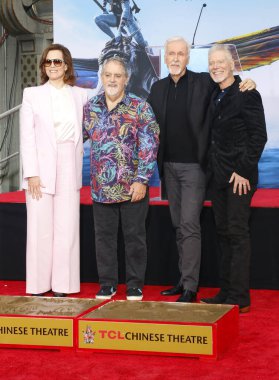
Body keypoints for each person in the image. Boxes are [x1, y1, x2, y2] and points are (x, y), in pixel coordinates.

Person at [147, 36, 255, 303]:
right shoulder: (157, 89)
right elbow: (147, 125)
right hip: (168, 169)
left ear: (187, 57)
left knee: (189, 225)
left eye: (180, 53)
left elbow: (229, 84)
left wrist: (247, 82)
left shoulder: (203, 82)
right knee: (178, 225)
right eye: (170, 53)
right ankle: (183, 280)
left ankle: (191, 288)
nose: (174, 58)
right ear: (166, 56)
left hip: (195, 167)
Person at [83, 56, 159, 300]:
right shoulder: (91, 107)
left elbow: (150, 144)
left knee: (134, 238)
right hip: (101, 187)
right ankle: (107, 284)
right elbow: (77, 139)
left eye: (118, 75)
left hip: (132, 186)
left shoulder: (140, 107)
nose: (112, 80)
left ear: (126, 79)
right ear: (102, 78)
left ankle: (134, 284)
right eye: (108, 75)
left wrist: (142, 180)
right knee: (103, 239)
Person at [200, 44, 267, 312]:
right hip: (217, 177)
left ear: (232, 65)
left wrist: (243, 170)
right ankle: (226, 291)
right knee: (223, 234)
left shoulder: (247, 93)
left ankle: (239, 298)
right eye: (211, 62)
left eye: (220, 62)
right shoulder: (214, 93)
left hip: (240, 177)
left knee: (237, 234)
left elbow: (258, 136)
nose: (215, 66)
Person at [20, 44, 89, 297]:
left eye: (57, 62)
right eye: (48, 62)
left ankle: (64, 285)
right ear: (43, 66)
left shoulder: (81, 95)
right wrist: (32, 173)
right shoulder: (32, 94)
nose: (52, 66)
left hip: (70, 161)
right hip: (40, 166)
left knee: (67, 225)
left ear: (67, 65)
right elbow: (27, 137)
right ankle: (38, 284)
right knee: (39, 226)